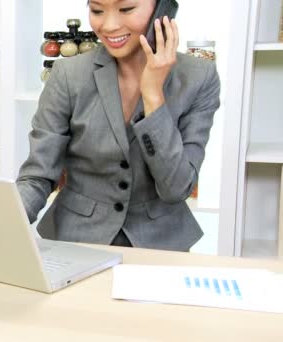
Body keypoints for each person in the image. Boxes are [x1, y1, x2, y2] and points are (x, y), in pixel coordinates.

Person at [16, 0, 221, 252]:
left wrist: (153, 96)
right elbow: (37, 176)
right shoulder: (68, 75)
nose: (109, 25)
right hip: (75, 239)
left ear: (163, 10)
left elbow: (176, 188)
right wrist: (1, 226)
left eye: (126, 9)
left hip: (160, 245)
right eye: (97, 11)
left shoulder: (199, 77)